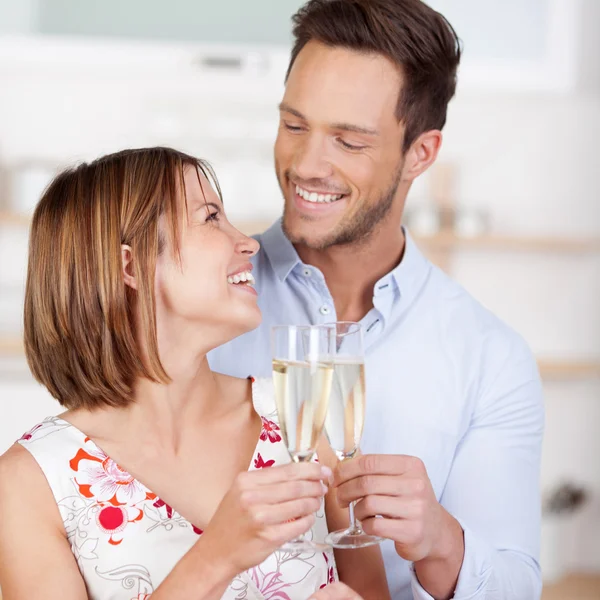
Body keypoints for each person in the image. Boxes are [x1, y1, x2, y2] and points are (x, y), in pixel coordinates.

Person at [208, 1, 545, 599]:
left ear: (421, 153)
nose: (307, 164)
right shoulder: (193, 303)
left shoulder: (490, 359)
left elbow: (517, 587)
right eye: (294, 126)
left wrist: (441, 538)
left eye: (350, 141)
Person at [0, 147, 389, 600]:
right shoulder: (31, 483)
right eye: (210, 218)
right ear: (131, 265)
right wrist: (216, 557)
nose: (248, 242)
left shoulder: (299, 420)